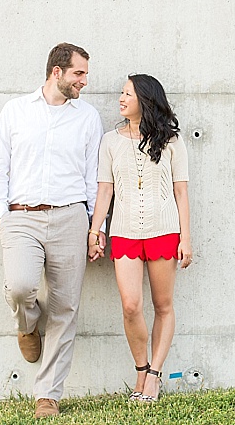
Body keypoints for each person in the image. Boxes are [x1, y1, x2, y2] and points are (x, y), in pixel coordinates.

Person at [0, 42, 104, 418]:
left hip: (70, 217)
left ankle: (47, 395)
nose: (84, 81)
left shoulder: (87, 117)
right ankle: (26, 324)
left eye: (84, 74)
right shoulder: (15, 111)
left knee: (65, 307)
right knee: (20, 286)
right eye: (78, 74)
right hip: (20, 217)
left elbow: (92, 178)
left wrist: (91, 226)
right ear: (57, 72)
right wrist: (1, 214)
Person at [88, 74, 193, 403]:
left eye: (127, 93)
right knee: (131, 305)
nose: (120, 99)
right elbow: (105, 188)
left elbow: (181, 192)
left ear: (145, 100)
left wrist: (185, 239)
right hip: (124, 232)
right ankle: (140, 368)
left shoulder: (171, 141)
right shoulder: (110, 141)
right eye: (121, 92)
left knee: (163, 306)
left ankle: (154, 376)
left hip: (164, 232)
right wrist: (96, 230)